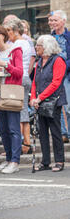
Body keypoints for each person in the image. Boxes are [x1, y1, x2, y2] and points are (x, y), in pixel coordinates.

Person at [30, 35, 67, 172]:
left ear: (46, 47)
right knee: (42, 133)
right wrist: (33, 98)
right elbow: (35, 82)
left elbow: (56, 83)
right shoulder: (39, 61)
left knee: (56, 132)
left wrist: (39, 98)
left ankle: (59, 161)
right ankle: (45, 162)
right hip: (40, 102)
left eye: (38, 45)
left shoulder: (58, 60)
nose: (36, 47)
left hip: (54, 101)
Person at [0, 25, 23, 174]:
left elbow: (20, 73)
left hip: (11, 92)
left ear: (4, 34)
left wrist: (4, 64)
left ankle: (15, 161)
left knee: (13, 128)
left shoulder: (15, 50)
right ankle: (9, 159)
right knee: (3, 129)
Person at [4, 18, 35, 155]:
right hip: (25, 78)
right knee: (22, 111)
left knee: (20, 112)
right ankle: (24, 142)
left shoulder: (18, 44)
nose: (7, 34)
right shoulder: (25, 42)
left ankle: (24, 143)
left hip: (19, 79)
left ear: (16, 31)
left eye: (9, 31)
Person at [48, 10, 70, 144]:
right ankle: (63, 133)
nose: (52, 23)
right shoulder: (49, 38)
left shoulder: (68, 37)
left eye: (55, 20)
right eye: (51, 20)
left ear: (63, 21)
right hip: (54, 76)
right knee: (58, 105)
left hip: (67, 75)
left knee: (68, 107)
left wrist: (63, 68)